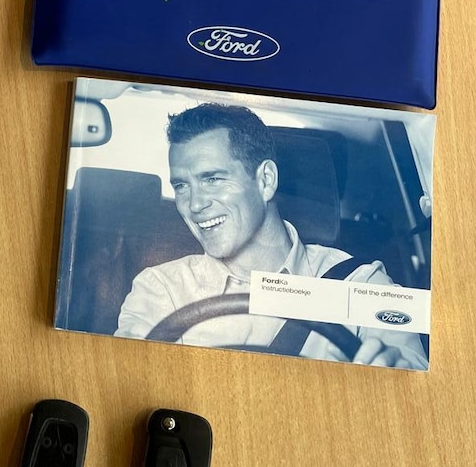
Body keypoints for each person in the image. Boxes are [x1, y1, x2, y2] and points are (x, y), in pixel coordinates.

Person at [115, 103, 428, 369]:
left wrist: (391, 375)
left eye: (213, 179)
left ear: (265, 181)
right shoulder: (160, 288)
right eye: (182, 186)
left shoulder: (361, 284)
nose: (194, 204)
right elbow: (129, 379)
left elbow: (415, 387)